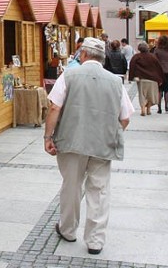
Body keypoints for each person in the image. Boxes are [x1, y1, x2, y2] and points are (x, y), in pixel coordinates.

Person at [43, 37, 134, 256]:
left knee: (71, 186)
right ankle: (95, 240)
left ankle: (68, 229)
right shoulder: (114, 81)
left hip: (72, 141)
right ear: (102, 58)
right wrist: (111, 131)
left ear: (83, 54)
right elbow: (125, 117)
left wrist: (48, 136)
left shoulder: (69, 75)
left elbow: (55, 107)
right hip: (103, 143)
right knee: (99, 190)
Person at [129, 42, 164, 116]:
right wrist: (160, 79)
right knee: (150, 95)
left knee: (142, 95)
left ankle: (142, 110)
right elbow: (158, 68)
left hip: (141, 79)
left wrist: (132, 77)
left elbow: (132, 67)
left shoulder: (136, 57)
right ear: (147, 48)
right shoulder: (153, 57)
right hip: (152, 79)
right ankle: (148, 109)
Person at [154, 35, 168, 113]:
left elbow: (155, 61)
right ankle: (166, 106)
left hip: (159, 71)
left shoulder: (157, 50)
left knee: (159, 90)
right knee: (166, 90)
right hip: (167, 71)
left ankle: (159, 108)